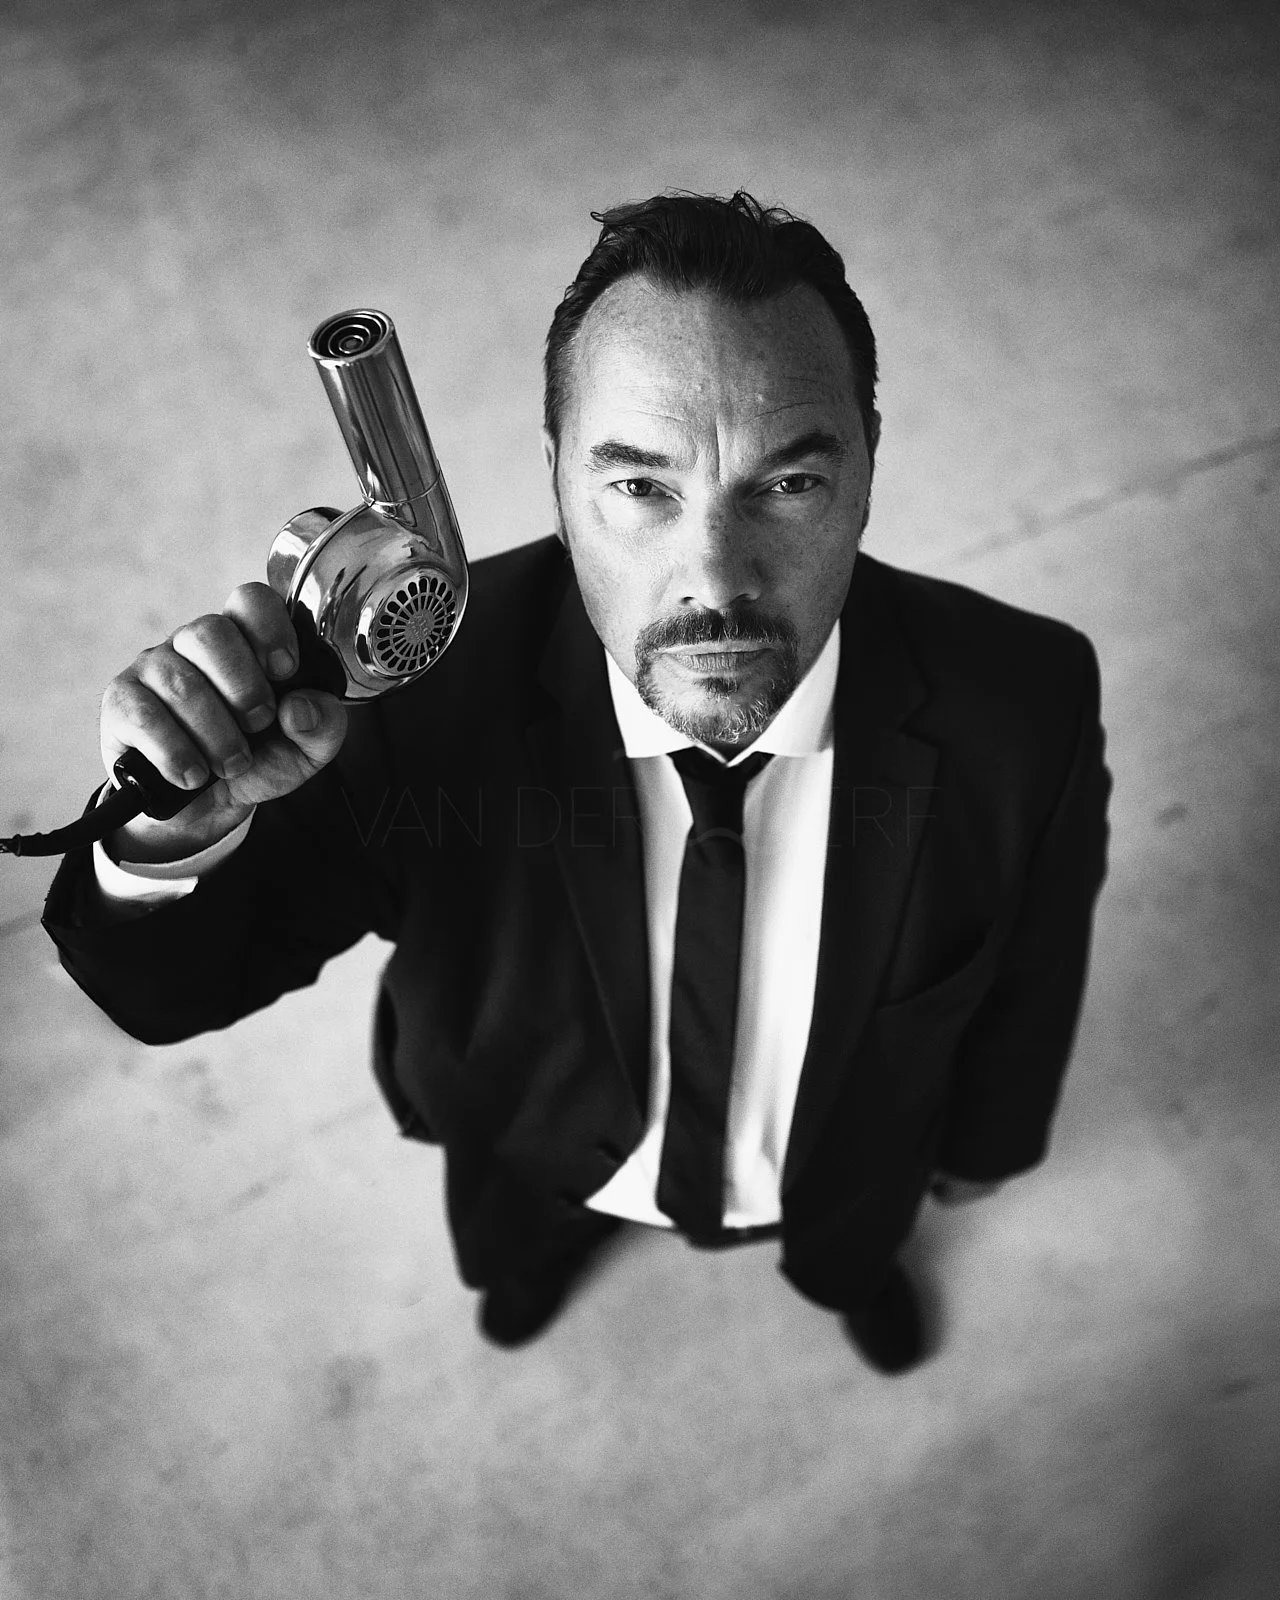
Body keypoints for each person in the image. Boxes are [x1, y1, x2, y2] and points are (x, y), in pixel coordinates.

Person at [42, 191, 1112, 1375]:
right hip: (532, 1158)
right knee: (524, 1246)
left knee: (850, 1253)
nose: (712, 575)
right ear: (555, 478)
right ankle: (540, 1250)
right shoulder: (414, 709)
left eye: (787, 484)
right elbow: (167, 995)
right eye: (640, 486)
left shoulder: (1027, 700)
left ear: (865, 467)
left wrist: (988, 1145)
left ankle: (844, 1270)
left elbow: (1033, 966)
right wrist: (174, 828)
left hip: (842, 1178)